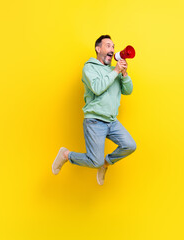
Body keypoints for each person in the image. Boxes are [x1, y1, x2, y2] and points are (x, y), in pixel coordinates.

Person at [52, 35, 136, 185]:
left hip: (111, 121)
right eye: (108, 46)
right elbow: (97, 88)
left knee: (130, 145)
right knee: (94, 161)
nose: (113, 49)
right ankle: (66, 155)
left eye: (113, 47)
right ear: (98, 49)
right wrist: (116, 71)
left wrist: (123, 73)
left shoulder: (114, 71)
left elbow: (128, 91)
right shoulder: (89, 68)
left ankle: (106, 163)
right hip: (95, 121)